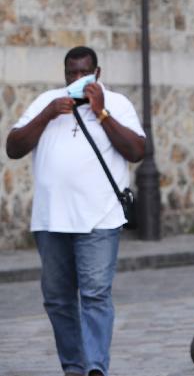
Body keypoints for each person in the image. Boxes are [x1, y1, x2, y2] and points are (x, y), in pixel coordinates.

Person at [6, 46, 146, 376]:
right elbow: (14, 147)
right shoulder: (46, 101)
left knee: (95, 295)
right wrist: (47, 114)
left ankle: (95, 367)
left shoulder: (117, 104)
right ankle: (74, 367)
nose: (78, 78)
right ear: (65, 73)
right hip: (51, 220)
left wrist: (102, 113)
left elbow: (137, 150)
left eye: (85, 73)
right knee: (57, 299)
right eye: (72, 73)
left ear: (97, 73)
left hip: (100, 219)